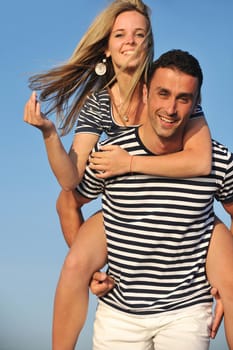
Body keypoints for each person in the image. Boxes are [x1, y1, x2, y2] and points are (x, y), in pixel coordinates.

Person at [23, 0, 228, 348]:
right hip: (127, 203)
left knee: (229, 274)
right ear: (107, 47)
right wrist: (49, 133)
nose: (130, 41)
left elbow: (200, 162)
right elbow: (71, 180)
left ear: (149, 43)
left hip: (179, 203)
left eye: (139, 34)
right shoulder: (99, 103)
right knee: (74, 261)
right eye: (120, 34)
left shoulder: (168, 87)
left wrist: (129, 163)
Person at [75, 49, 233, 350]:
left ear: (196, 104)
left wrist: (227, 282)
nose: (171, 108)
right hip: (118, 313)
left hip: (187, 311)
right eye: (163, 93)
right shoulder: (112, 154)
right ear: (146, 92)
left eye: (183, 98)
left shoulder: (218, 159)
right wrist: (89, 267)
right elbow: (69, 202)